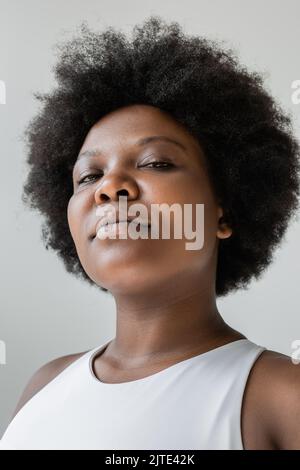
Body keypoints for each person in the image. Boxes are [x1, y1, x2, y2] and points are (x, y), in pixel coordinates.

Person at [1, 15, 300, 450]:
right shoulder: (44, 385)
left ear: (224, 212)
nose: (110, 187)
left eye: (156, 163)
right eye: (88, 176)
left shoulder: (279, 396)